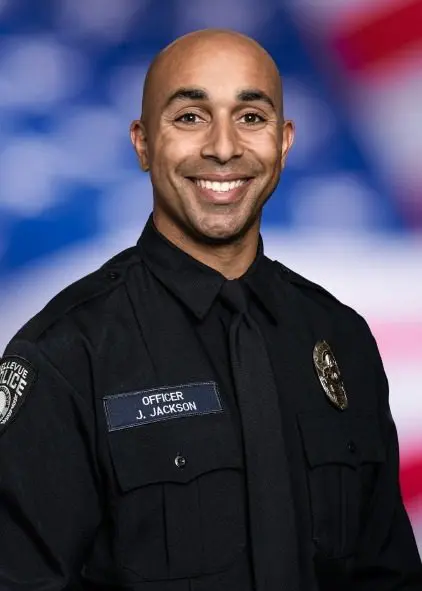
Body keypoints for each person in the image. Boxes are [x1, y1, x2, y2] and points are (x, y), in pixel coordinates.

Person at [0, 28, 420, 591]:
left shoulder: (341, 338)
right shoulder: (64, 354)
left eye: (250, 117)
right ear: (143, 142)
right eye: (191, 117)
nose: (224, 148)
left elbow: (385, 574)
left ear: (285, 141)